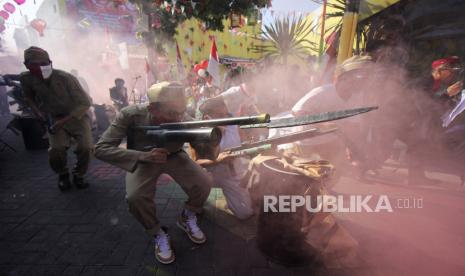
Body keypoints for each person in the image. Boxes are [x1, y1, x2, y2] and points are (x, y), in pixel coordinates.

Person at [94, 81, 212, 265]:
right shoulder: (130, 115)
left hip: (173, 155)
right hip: (143, 159)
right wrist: (142, 156)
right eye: (172, 113)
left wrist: (211, 138)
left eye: (181, 112)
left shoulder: (183, 117)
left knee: (204, 182)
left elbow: (204, 150)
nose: (178, 118)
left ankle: (188, 215)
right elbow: (100, 148)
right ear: (152, 108)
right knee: (135, 197)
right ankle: (157, 231)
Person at [19, 46, 92, 190]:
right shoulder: (26, 78)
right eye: (35, 64)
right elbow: (28, 96)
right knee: (56, 150)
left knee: (87, 148)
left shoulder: (65, 78)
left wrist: (63, 122)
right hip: (52, 118)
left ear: (50, 62)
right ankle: (63, 174)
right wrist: (38, 113)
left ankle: (79, 175)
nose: (40, 67)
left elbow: (85, 103)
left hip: (76, 116)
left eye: (44, 63)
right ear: (27, 65)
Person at [192, 97, 254, 220]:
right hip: (208, 175)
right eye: (220, 115)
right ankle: (193, 205)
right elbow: (195, 162)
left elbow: (244, 143)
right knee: (196, 189)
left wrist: (250, 146)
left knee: (245, 213)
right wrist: (217, 160)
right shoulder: (198, 133)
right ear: (207, 118)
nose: (225, 118)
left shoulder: (234, 126)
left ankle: (232, 200)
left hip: (232, 174)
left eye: (226, 114)